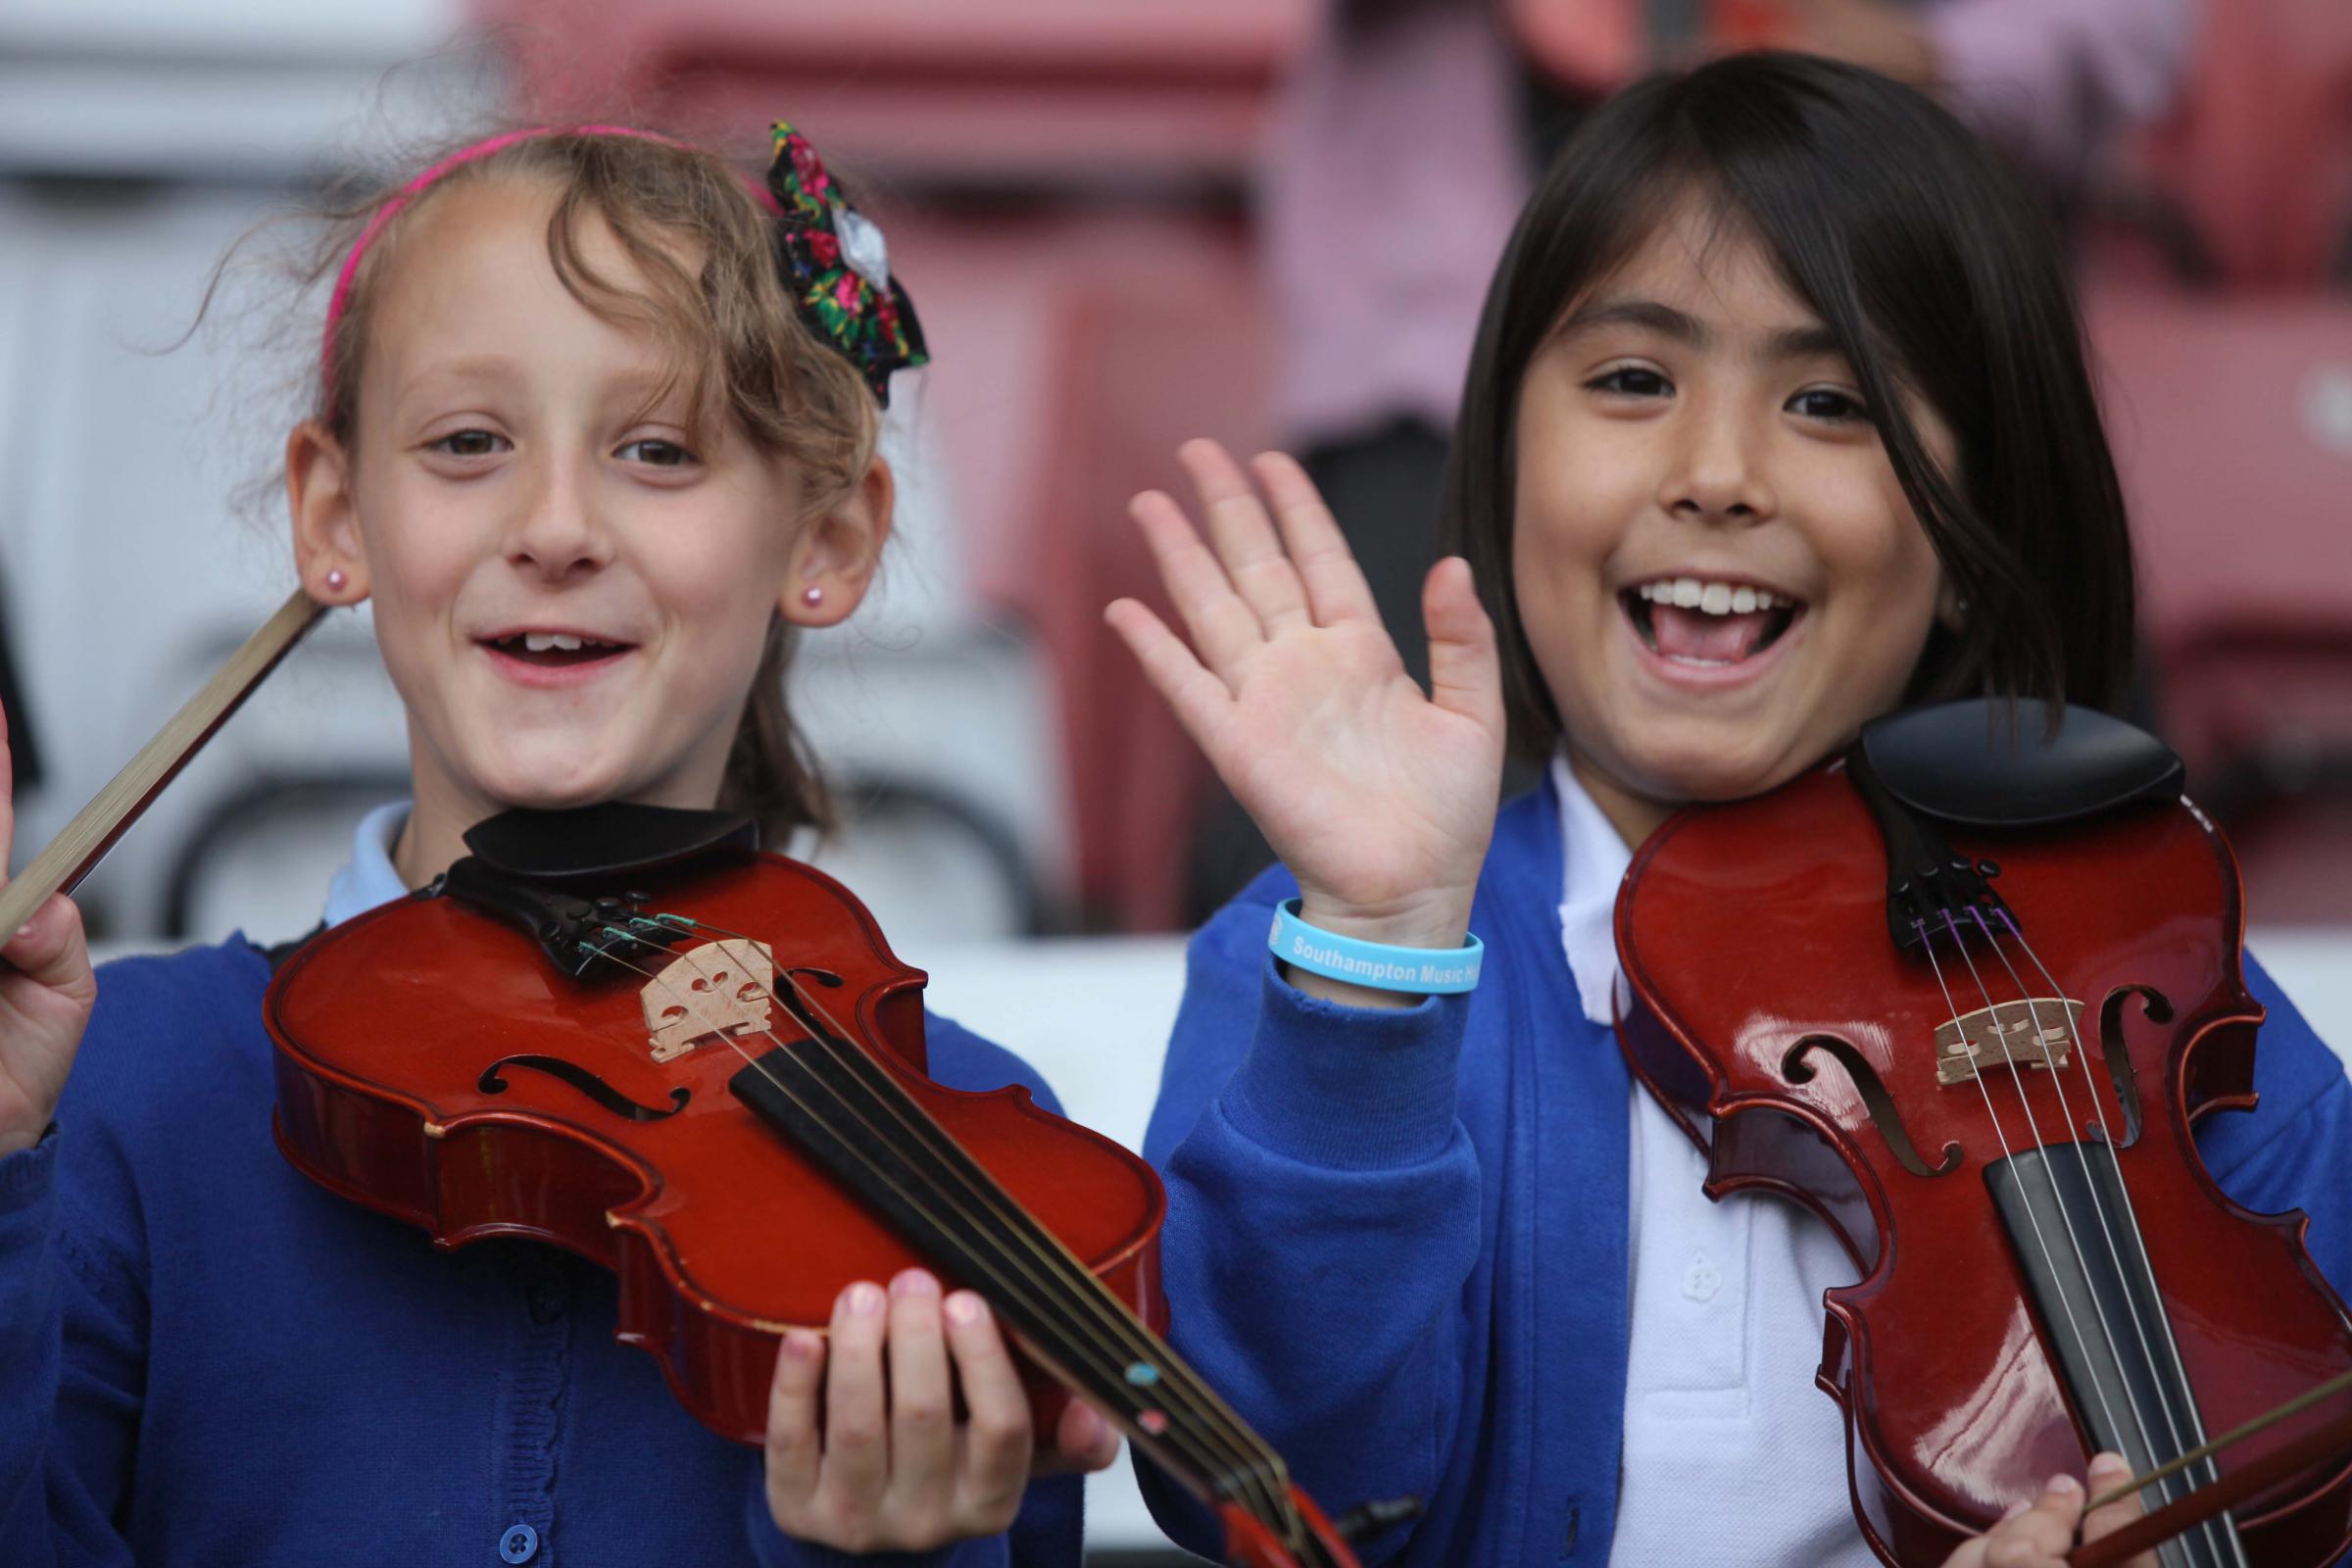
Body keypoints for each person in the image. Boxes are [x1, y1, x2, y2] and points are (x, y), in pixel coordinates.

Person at [1109, 52, 2348, 1566]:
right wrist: (1379, 952)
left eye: (1831, 402)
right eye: (1634, 380)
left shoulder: (2152, 971)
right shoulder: (1323, 956)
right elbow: (1254, 1487)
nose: (1716, 473)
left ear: (1969, 538)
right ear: (1502, 457)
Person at [0, 122, 1119, 1565]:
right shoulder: (114, 1092)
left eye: (657, 450)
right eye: (470, 443)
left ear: (828, 539)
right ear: (337, 512)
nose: (556, 526)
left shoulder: (959, 1131)